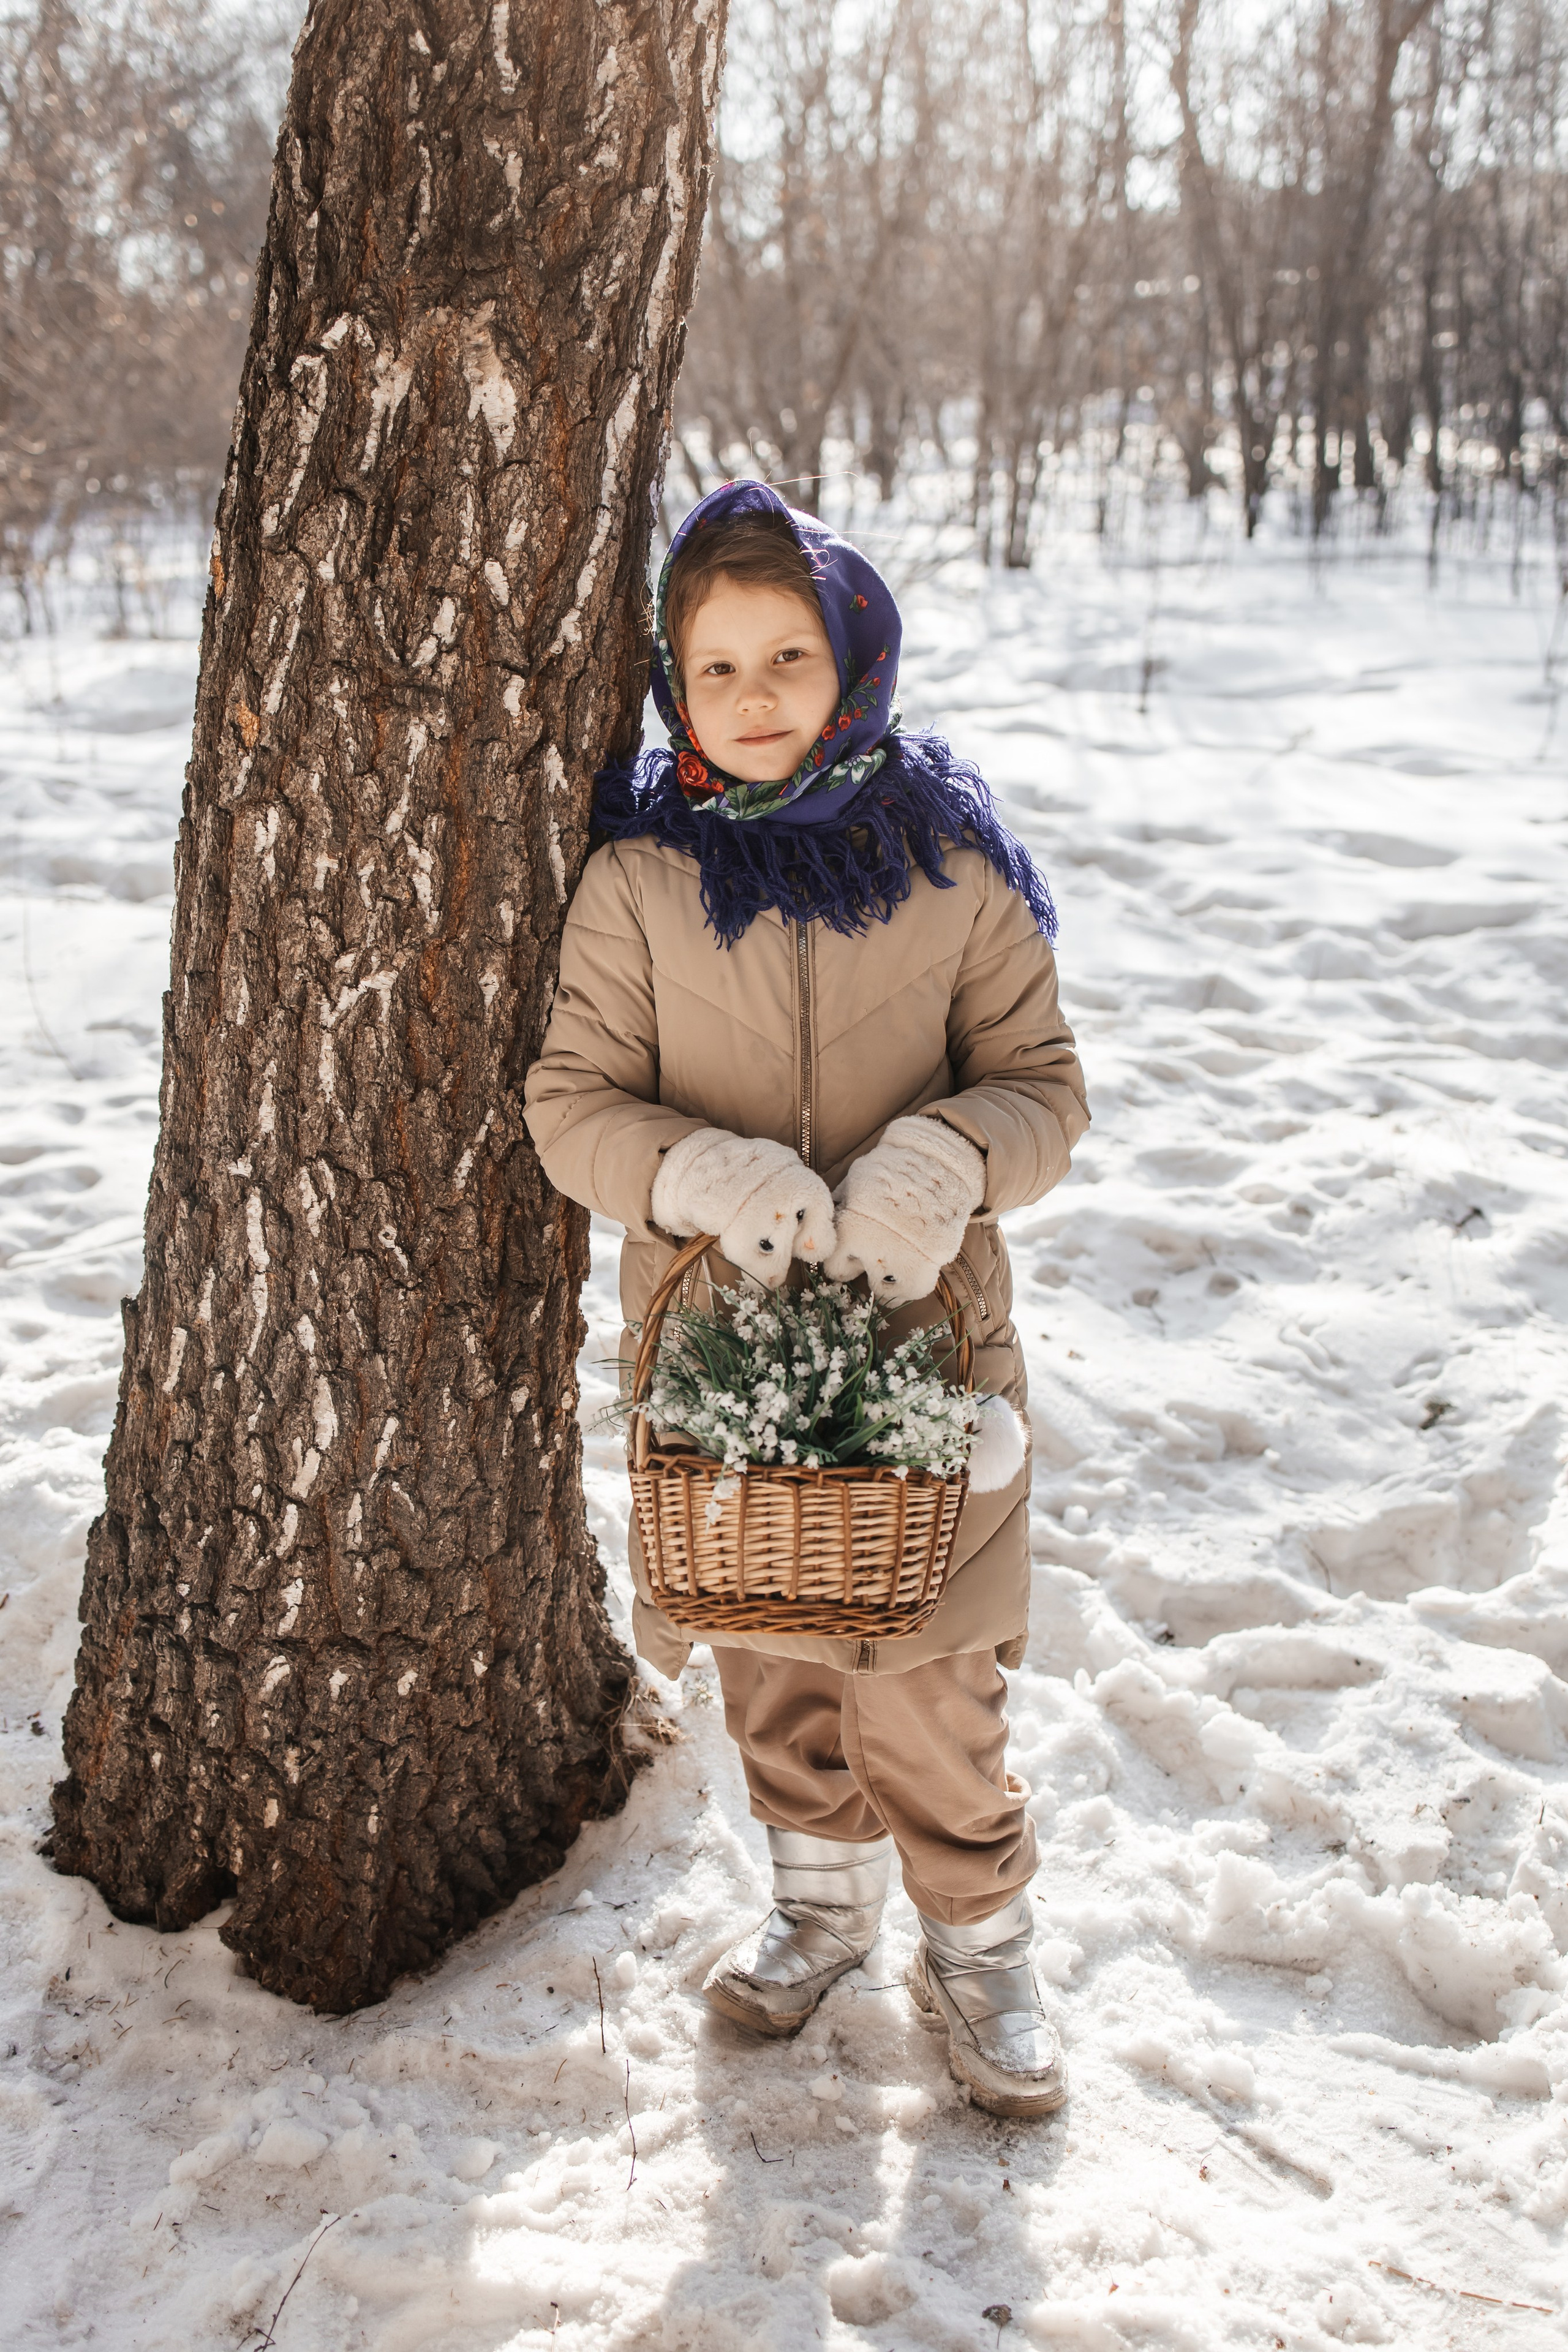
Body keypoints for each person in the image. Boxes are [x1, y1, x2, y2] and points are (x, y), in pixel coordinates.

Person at [524, 480, 1088, 2118]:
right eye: (717, 667)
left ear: (854, 657)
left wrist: (954, 1153)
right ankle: (820, 1903)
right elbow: (575, 1103)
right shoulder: (639, 879)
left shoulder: (951, 862)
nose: (757, 693)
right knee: (770, 1645)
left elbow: (1046, 1088)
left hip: (931, 1345)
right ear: (673, 687)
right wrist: (697, 1172)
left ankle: (981, 1939)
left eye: (788, 654)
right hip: (725, 1349)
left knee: (930, 1672)